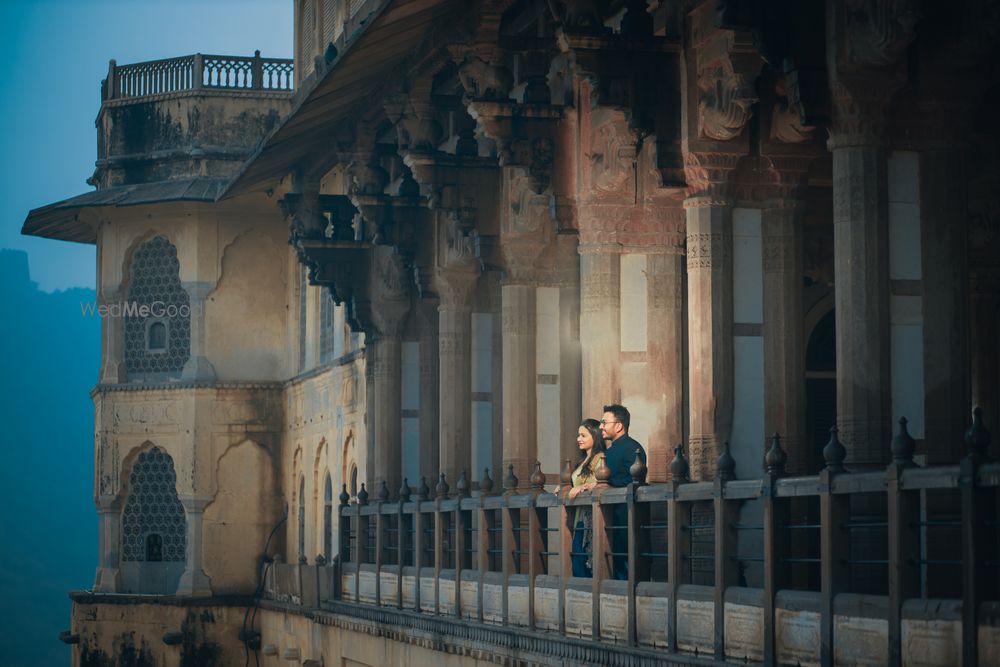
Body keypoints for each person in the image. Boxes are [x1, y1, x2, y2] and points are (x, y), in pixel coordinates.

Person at [599, 404, 646, 580]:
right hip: (609, 514)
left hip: (627, 514)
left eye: (604, 422)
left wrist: (606, 484)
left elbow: (633, 480)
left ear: (619, 425)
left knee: (628, 561)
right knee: (612, 559)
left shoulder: (633, 448)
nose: (601, 426)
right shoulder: (608, 451)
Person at [562, 418, 605, 578]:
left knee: (585, 561)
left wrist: (580, 488)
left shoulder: (600, 458)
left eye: (583, 435)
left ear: (595, 436)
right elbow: (576, 480)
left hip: (591, 518)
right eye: (578, 435)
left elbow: (600, 483)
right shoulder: (583, 460)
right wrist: (566, 486)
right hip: (579, 517)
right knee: (578, 561)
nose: (578, 439)